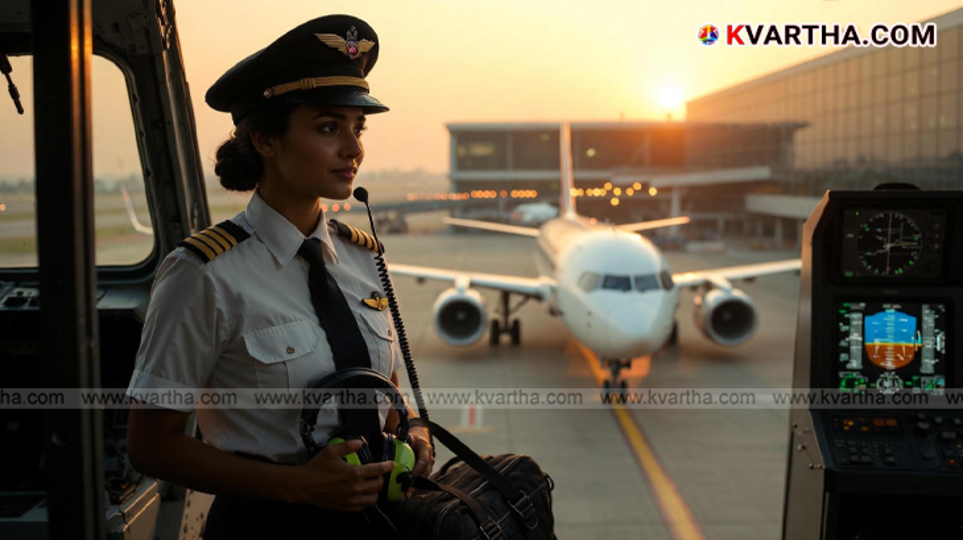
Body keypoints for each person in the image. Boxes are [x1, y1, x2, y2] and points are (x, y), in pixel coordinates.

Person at [124, 15, 433, 540]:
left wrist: (414, 433)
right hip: (266, 525)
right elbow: (152, 445)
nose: (353, 149)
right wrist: (298, 486)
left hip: (382, 523)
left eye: (358, 128)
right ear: (266, 139)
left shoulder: (362, 260)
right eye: (328, 127)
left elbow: (384, 391)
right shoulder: (203, 274)